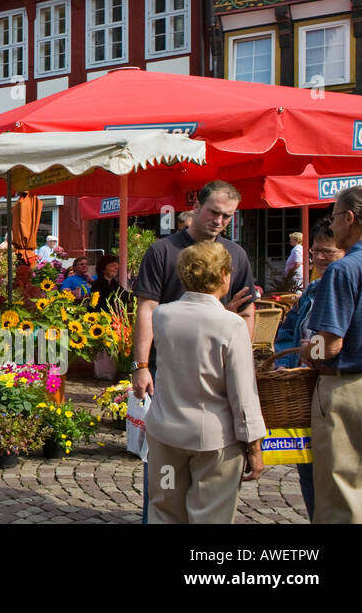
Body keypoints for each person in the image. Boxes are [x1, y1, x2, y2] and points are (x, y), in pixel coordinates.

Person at [132, 180, 257, 523]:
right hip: (167, 370)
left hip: (215, 374)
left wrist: (235, 351)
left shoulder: (236, 254)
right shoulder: (164, 251)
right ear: (196, 207)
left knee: (168, 490)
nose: (220, 221)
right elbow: (146, 309)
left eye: (227, 216)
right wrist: (140, 364)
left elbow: (247, 312)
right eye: (214, 212)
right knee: (165, 489)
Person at [302, 186, 362, 524]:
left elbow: (329, 346)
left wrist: (304, 350)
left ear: (350, 218)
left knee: (341, 492)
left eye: (333, 219)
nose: (332, 227)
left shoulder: (345, 270)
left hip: (348, 390)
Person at [272, 219, 342, 520]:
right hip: (302, 393)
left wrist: (308, 351)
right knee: (308, 468)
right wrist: (287, 368)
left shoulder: (347, 286)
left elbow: (332, 344)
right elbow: (287, 334)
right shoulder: (312, 290)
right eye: (315, 252)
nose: (319, 257)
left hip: (333, 387)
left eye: (328, 251)